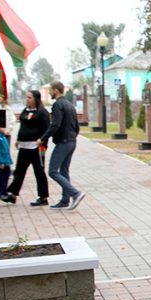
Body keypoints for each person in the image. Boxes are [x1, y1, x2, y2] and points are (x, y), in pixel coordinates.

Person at [2, 90, 50, 206]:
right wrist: (18, 139)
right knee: (19, 171)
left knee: (39, 171)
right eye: (26, 97)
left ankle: (43, 197)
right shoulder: (25, 111)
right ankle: (13, 195)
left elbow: (47, 129)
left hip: (36, 147)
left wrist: (43, 141)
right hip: (24, 146)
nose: (27, 99)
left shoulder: (42, 112)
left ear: (36, 99)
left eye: (29, 97)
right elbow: (23, 126)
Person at [42, 81, 84, 210]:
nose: (49, 92)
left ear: (56, 90)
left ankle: (75, 194)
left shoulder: (57, 105)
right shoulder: (70, 105)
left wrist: (43, 138)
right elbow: (77, 126)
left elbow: (55, 125)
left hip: (64, 142)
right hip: (71, 141)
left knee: (53, 171)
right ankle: (65, 200)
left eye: (50, 90)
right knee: (64, 171)